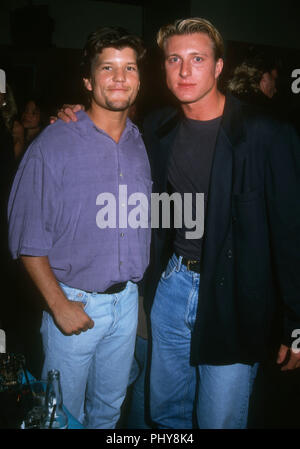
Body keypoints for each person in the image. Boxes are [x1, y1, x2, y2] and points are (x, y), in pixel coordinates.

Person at [54, 17, 300, 429]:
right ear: (163, 68)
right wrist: (77, 115)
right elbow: (112, 133)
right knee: (165, 416)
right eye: (174, 60)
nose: (185, 71)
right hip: (171, 289)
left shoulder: (267, 135)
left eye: (197, 59)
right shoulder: (157, 128)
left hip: (235, 300)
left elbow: (292, 234)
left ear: (219, 67)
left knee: (218, 420)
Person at [7, 26, 151, 429]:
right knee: (62, 417)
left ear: (140, 79)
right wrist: (58, 305)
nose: (120, 78)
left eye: (129, 68)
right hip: (74, 304)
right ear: (88, 80)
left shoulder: (142, 142)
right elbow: (25, 238)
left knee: (108, 412)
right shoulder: (54, 143)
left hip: (127, 307)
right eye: (108, 68)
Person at [12, 97, 46, 161]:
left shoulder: (42, 142)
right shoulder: (16, 133)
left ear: (42, 116)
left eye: (34, 113)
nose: (27, 115)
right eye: (26, 110)